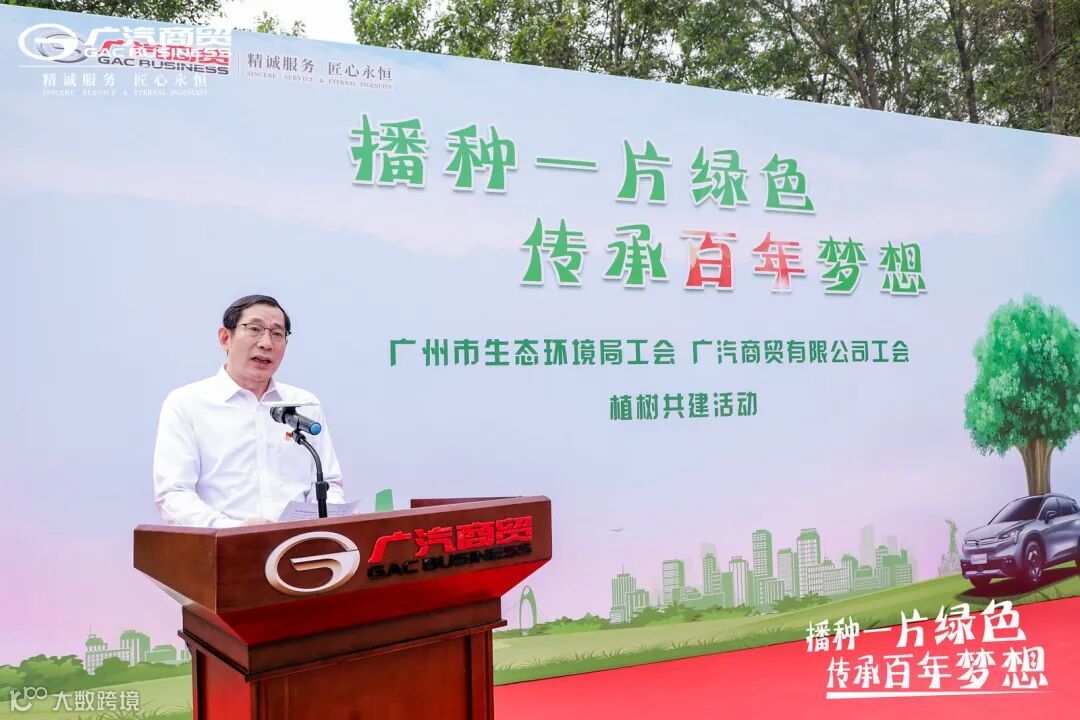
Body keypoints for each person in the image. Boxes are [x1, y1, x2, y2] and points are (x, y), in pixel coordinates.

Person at [153, 294, 345, 527]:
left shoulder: (304, 403)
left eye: (277, 334)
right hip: (224, 544)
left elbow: (329, 483)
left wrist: (326, 522)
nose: (266, 343)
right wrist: (233, 530)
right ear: (225, 338)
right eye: (254, 329)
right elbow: (174, 494)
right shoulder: (187, 403)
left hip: (299, 543)